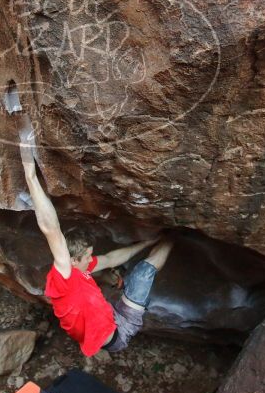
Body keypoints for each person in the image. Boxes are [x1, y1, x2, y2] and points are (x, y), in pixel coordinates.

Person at [18, 121, 174, 356]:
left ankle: (155, 249)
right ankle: (176, 239)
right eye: (87, 256)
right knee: (142, 273)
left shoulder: (78, 268)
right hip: (121, 329)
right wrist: (30, 175)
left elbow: (111, 258)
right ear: (71, 260)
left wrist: (146, 243)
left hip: (109, 313)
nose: (92, 259)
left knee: (115, 269)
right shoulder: (64, 277)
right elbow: (51, 229)